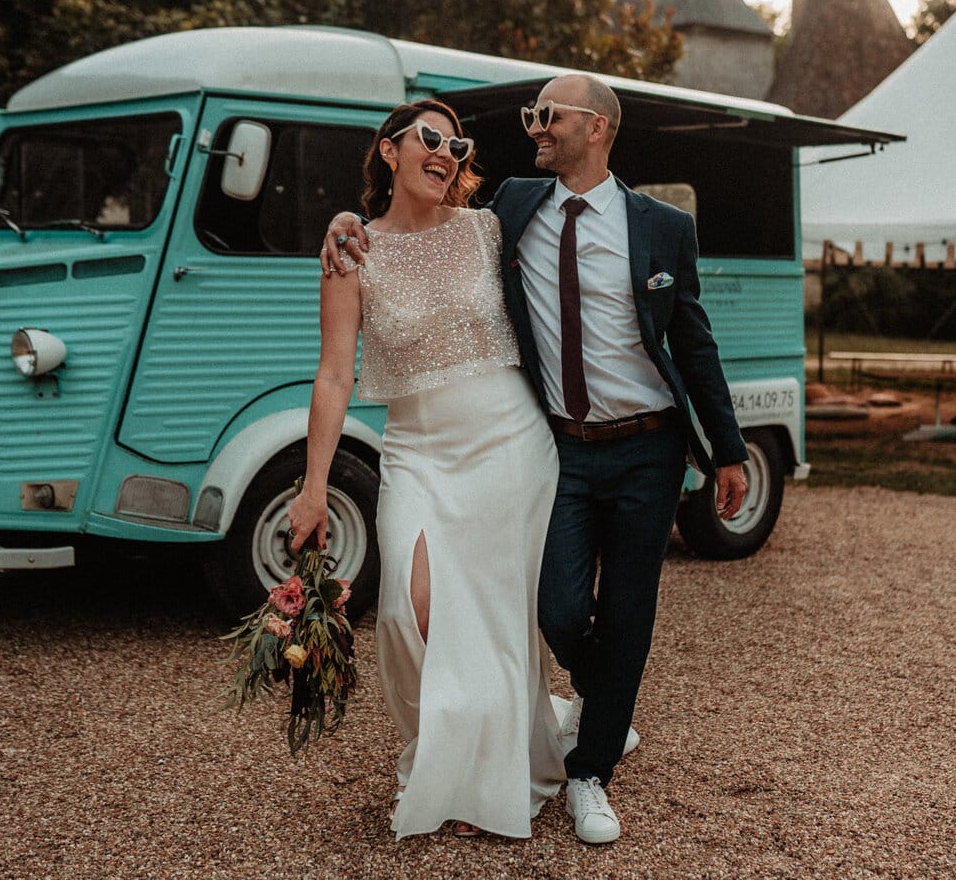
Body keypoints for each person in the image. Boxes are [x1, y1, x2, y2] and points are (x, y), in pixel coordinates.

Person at [323, 74, 749, 845]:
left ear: (596, 127)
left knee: (623, 609)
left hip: (637, 447)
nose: (532, 129)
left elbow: (692, 339)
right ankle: (585, 702)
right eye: (529, 117)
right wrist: (345, 216)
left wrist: (727, 449)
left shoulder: (656, 227)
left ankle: (588, 769)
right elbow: (405, 232)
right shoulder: (513, 209)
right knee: (529, 610)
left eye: (546, 116)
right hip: (542, 449)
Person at [288, 100, 565, 839]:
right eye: (429, 138)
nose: (445, 151)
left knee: (492, 616)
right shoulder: (353, 250)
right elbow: (332, 376)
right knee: (413, 611)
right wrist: (313, 488)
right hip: (416, 452)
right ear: (389, 152)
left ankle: (484, 781)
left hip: (509, 443)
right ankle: (439, 750)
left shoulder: (490, 227)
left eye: (457, 143)